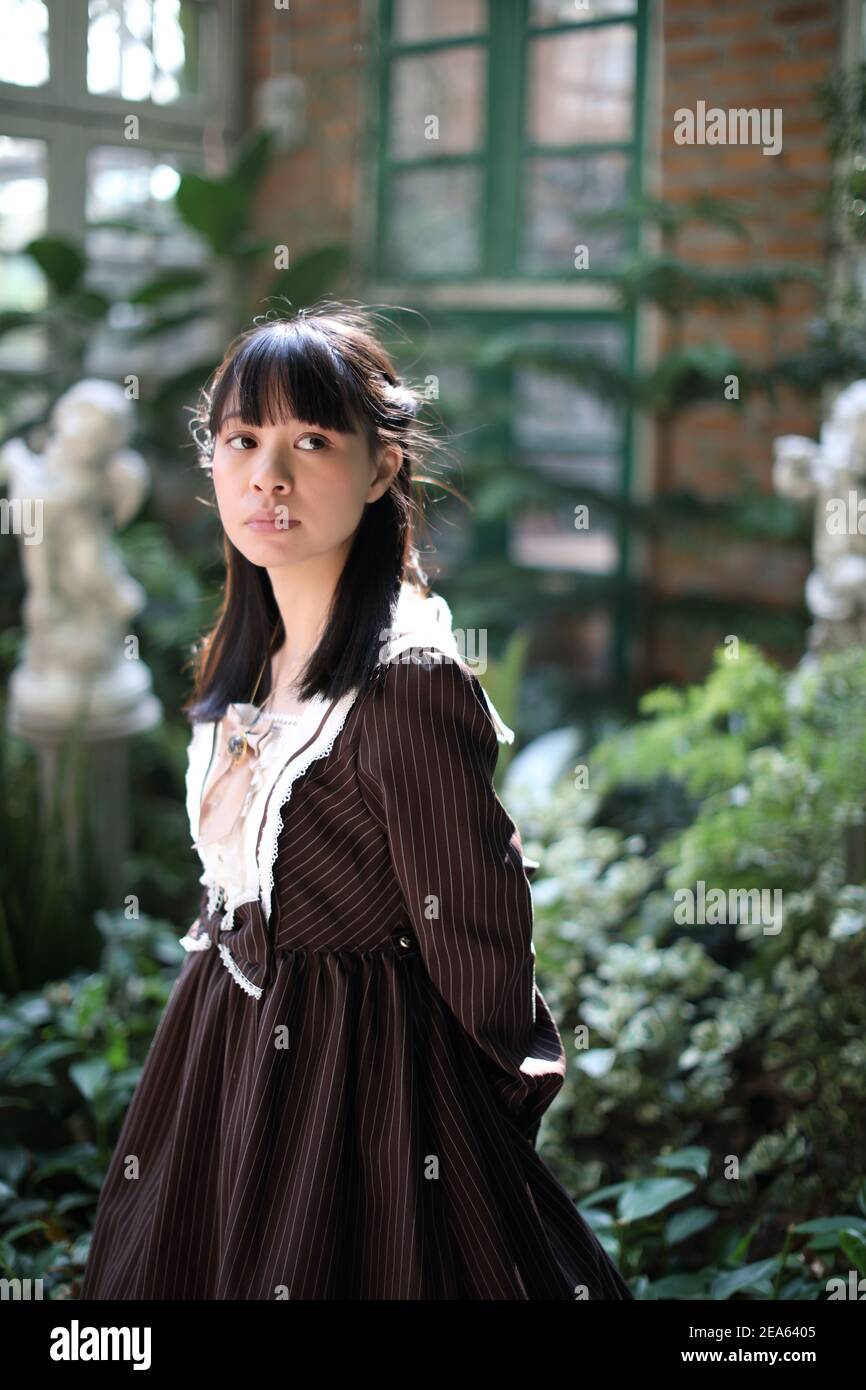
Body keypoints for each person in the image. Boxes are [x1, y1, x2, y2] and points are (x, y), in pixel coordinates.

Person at [80, 303, 633, 1301]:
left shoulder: (404, 682)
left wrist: (464, 1126)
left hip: (365, 1104)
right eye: (242, 440)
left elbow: (478, 938)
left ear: (380, 469)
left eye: (310, 441)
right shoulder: (254, 657)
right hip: (219, 1073)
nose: (267, 475)